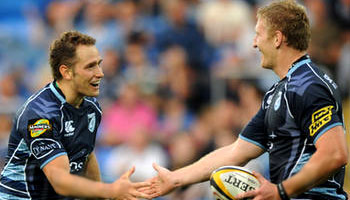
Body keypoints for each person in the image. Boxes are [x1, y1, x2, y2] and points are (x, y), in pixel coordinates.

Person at [148, 1, 349, 199]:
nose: (254, 43)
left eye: (258, 34)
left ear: (277, 38)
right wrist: (176, 178)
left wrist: (280, 191)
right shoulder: (279, 92)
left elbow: (335, 154)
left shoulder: (308, 85)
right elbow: (237, 152)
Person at [0, 31, 151, 200]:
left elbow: (86, 155)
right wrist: (110, 191)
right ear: (66, 72)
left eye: (99, 64)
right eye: (90, 66)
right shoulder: (39, 114)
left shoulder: (91, 107)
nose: (100, 73)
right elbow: (60, 181)